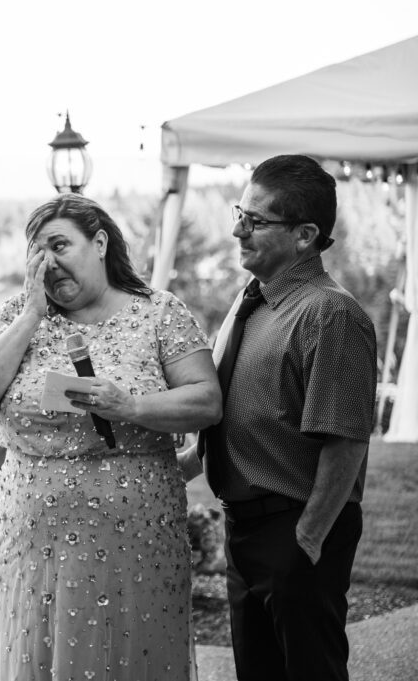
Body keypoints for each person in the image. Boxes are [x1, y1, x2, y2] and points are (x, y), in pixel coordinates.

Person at [0, 193, 222, 681]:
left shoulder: (158, 312)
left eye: (60, 245)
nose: (48, 262)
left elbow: (207, 401)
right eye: (37, 253)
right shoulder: (20, 313)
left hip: (136, 537)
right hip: (30, 538)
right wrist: (31, 315)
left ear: (99, 243)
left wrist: (131, 405)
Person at [179, 154, 376, 681]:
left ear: (306, 235)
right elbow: (242, 418)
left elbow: (347, 440)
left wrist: (307, 537)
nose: (237, 229)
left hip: (296, 531)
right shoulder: (253, 302)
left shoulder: (330, 314)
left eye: (256, 220)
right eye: (240, 211)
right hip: (245, 532)